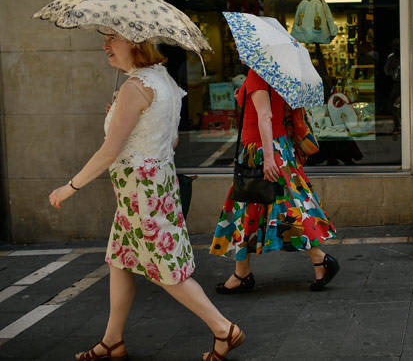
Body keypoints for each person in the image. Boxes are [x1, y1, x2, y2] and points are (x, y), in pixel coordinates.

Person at [48, 32, 243, 361]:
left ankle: (224, 329)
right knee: (119, 260)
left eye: (113, 38)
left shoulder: (135, 87)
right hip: (154, 185)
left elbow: (110, 152)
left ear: (134, 42)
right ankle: (112, 341)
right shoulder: (162, 81)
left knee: (165, 269)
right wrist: (120, 116)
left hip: (139, 190)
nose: (105, 45)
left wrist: (70, 186)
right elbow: (172, 142)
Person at [209, 69, 339, 293]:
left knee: (257, 207)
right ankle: (244, 272)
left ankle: (318, 259)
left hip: (261, 151)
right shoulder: (276, 72)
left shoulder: (258, 74)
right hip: (277, 147)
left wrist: (268, 157)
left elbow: (265, 115)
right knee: (276, 206)